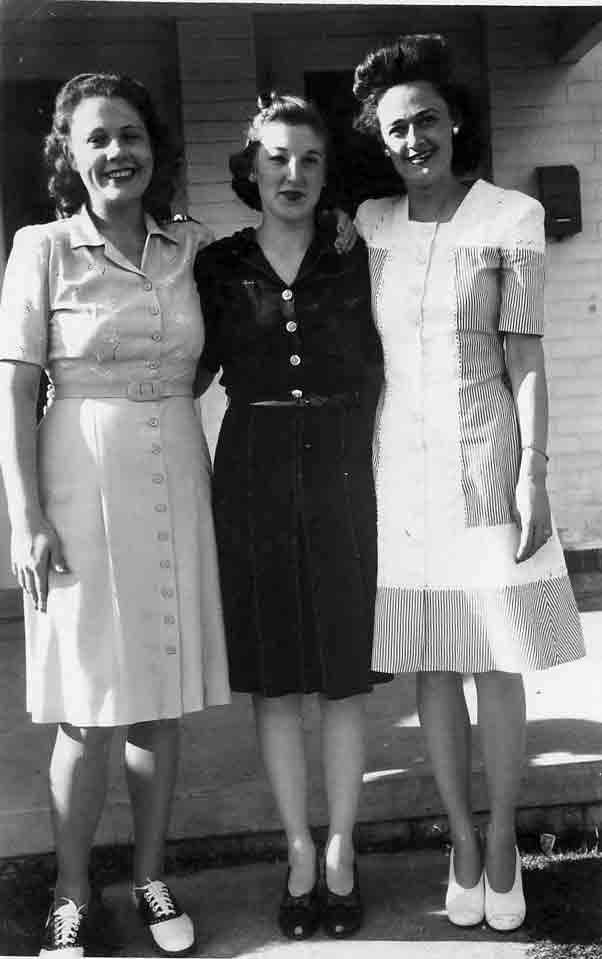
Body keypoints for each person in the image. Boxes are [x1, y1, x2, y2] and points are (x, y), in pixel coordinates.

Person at [352, 34, 585, 932]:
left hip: (488, 461)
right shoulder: (370, 225)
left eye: (425, 121)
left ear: (455, 122)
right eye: (396, 130)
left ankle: (500, 835)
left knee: (494, 658)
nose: (413, 140)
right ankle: (457, 836)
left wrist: (535, 474)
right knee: (436, 660)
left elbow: (526, 358)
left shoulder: (509, 217)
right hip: (400, 474)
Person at [0, 73, 230, 958]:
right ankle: (68, 890)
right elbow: (16, 386)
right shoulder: (42, 248)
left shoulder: (192, 245)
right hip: (76, 481)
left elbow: (224, 339)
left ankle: (150, 873)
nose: (116, 152)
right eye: (96, 138)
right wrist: (25, 514)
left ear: (153, 147)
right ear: (69, 154)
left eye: (130, 135)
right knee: (87, 703)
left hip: (173, 467)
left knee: (158, 700)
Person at [193, 93, 386, 941]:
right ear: (251, 168)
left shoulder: (358, 253)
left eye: (309, 159)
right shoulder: (218, 264)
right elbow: (181, 366)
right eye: (276, 157)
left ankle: (342, 850)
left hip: (345, 475)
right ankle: (299, 850)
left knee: (342, 674)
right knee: (276, 679)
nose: (293, 174)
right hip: (254, 478)